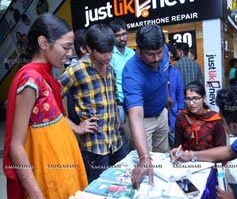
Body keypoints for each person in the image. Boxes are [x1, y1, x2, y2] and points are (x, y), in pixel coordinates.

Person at [3, 14, 88, 199]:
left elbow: (58, 114)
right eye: (65, 47)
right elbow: (15, 146)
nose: (70, 53)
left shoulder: (45, 75)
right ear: (43, 43)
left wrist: (78, 128)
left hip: (64, 167)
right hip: (47, 174)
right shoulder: (30, 80)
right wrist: (35, 194)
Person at [59, 23, 127, 183]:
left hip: (115, 141)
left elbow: (113, 94)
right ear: (89, 48)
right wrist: (75, 127)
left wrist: (116, 115)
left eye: (110, 50)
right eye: (103, 52)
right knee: (99, 188)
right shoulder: (76, 70)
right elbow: (50, 99)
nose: (108, 55)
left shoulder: (109, 68)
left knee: (123, 182)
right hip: (94, 147)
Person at [122, 24, 170, 189]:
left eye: (159, 52)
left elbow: (165, 76)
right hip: (143, 123)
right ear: (139, 50)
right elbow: (136, 116)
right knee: (147, 167)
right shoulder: (131, 73)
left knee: (163, 160)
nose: (157, 58)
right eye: (151, 54)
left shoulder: (162, 49)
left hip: (162, 115)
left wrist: (167, 96)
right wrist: (144, 158)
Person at [174, 81, 226, 151]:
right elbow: (178, 145)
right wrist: (176, 153)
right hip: (186, 159)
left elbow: (221, 149)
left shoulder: (215, 120)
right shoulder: (182, 117)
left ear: (204, 98)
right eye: (188, 99)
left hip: (210, 159)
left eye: (195, 98)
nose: (191, 103)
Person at [109, 18, 135, 150]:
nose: (122, 38)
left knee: (134, 137)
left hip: (133, 101)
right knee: (120, 139)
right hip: (118, 104)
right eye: (118, 35)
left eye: (124, 34)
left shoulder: (132, 53)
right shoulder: (110, 55)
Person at [65, 28, 87, 125]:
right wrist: (75, 127)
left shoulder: (104, 67)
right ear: (83, 49)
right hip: (81, 126)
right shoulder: (73, 71)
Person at [167, 43, 184, 149]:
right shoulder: (156, 72)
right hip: (159, 114)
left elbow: (179, 93)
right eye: (167, 57)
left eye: (171, 58)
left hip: (173, 112)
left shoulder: (175, 72)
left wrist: (180, 109)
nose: (169, 60)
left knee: (174, 141)